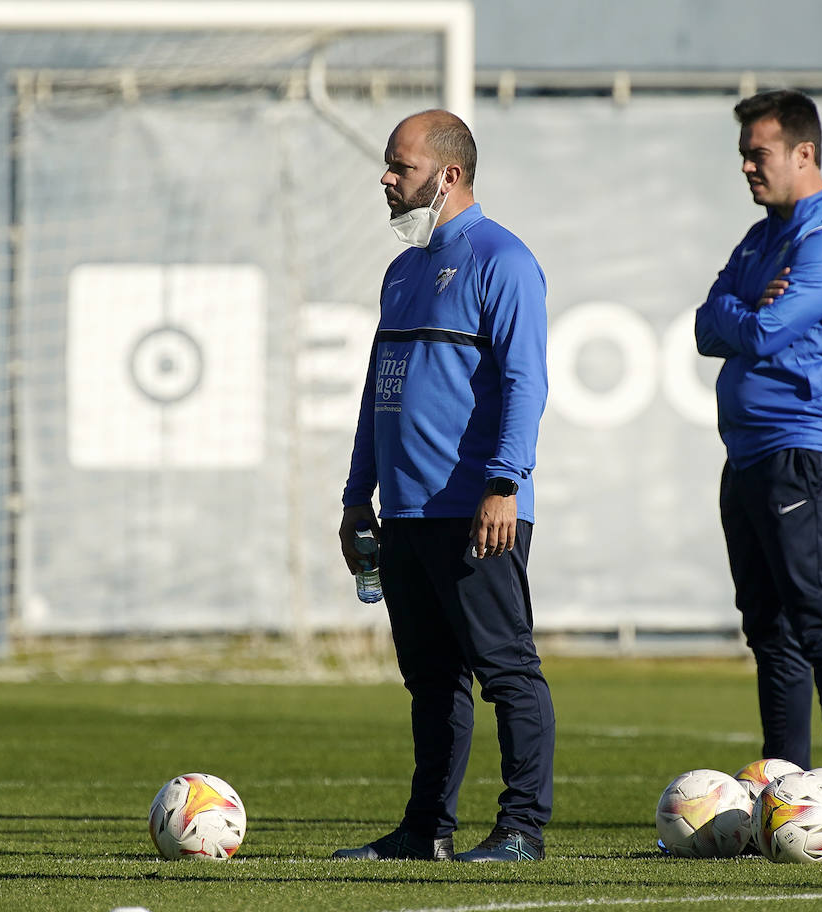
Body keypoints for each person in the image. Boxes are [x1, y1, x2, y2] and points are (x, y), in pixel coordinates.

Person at [334, 109, 555, 864]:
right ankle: (425, 828)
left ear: (448, 176)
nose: (387, 180)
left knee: (506, 671)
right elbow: (378, 391)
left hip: (476, 511)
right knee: (430, 682)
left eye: (401, 167)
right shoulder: (403, 270)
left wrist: (505, 484)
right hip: (404, 513)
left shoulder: (503, 260)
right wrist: (355, 495)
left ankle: (522, 829)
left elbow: (527, 382)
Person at [694, 90, 822, 780]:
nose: (746, 166)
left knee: (819, 620)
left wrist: (737, 312)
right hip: (747, 454)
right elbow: (706, 321)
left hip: (807, 452)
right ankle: (787, 787)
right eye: (743, 154)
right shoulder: (762, 234)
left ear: (805, 154)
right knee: (769, 629)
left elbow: (763, 332)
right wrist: (741, 308)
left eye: (758, 153)